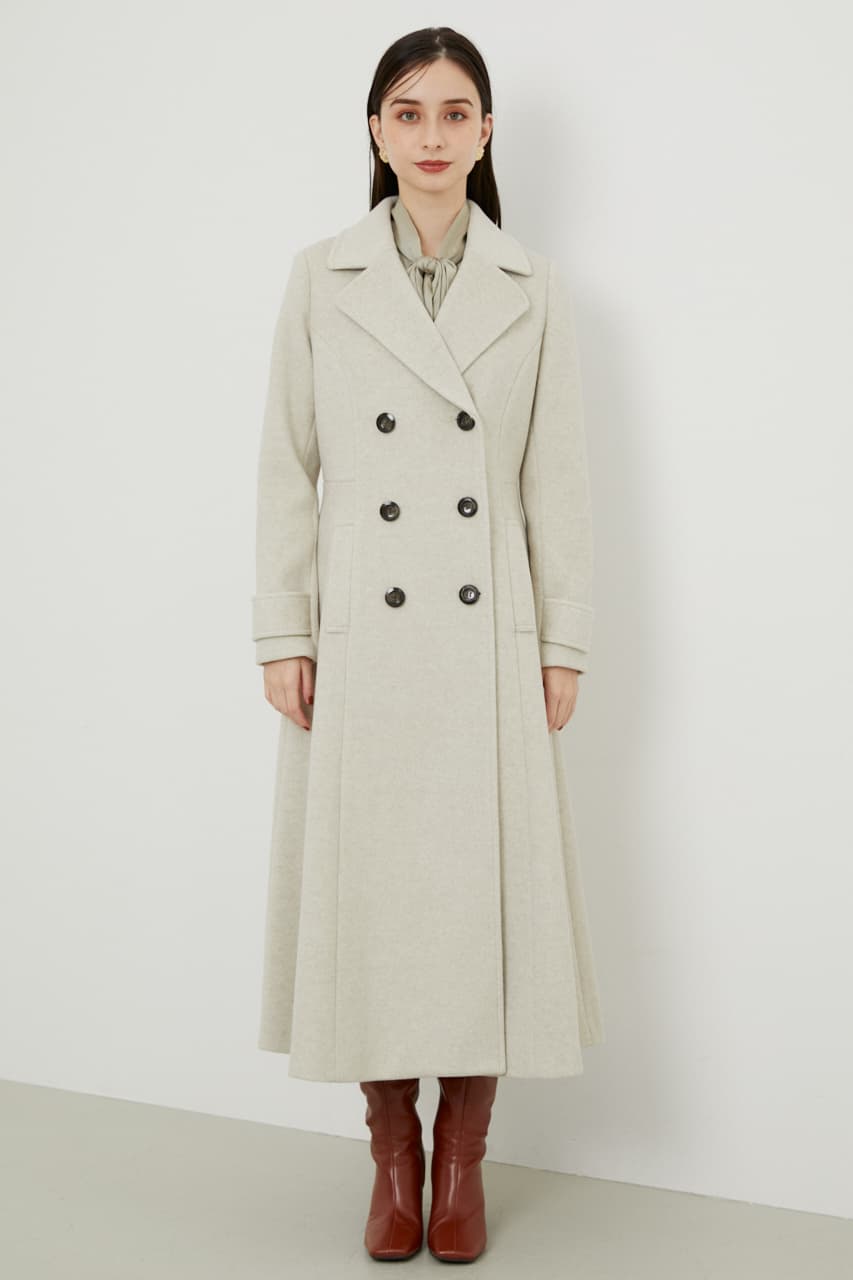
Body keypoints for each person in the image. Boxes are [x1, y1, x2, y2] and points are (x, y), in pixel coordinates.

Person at [251, 25, 605, 1264]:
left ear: (486, 132)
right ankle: (390, 1150)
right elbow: (286, 465)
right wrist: (283, 626)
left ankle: (462, 1154)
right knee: (375, 895)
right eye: (408, 112)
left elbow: (556, 481)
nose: (433, 135)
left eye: (455, 113)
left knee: (478, 896)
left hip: (485, 636)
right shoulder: (322, 276)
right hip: (366, 632)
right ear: (376, 131)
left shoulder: (534, 286)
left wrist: (563, 640)